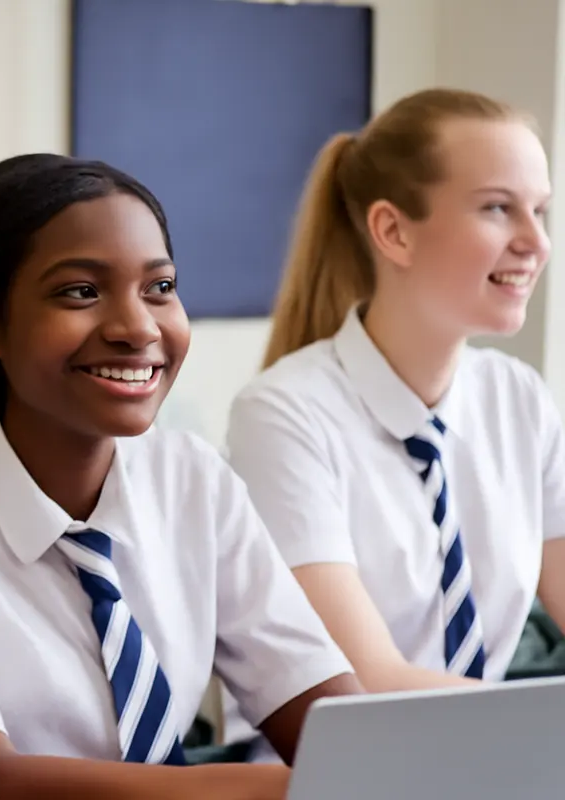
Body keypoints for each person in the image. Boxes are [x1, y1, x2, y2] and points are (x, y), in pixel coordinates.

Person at [0, 153, 363, 800]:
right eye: (80, 292)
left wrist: (373, 769)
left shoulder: (191, 477)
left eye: (159, 288)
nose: (138, 328)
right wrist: (284, 790)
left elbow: (333, 722)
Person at [221, 88, 565, 758]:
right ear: (393, 231)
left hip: (487, 759)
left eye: (542, 211)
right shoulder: (284, 415)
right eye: (498, 208)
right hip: (342, 772)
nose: (535, 242)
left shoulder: (519, 399)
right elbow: (367, 685)